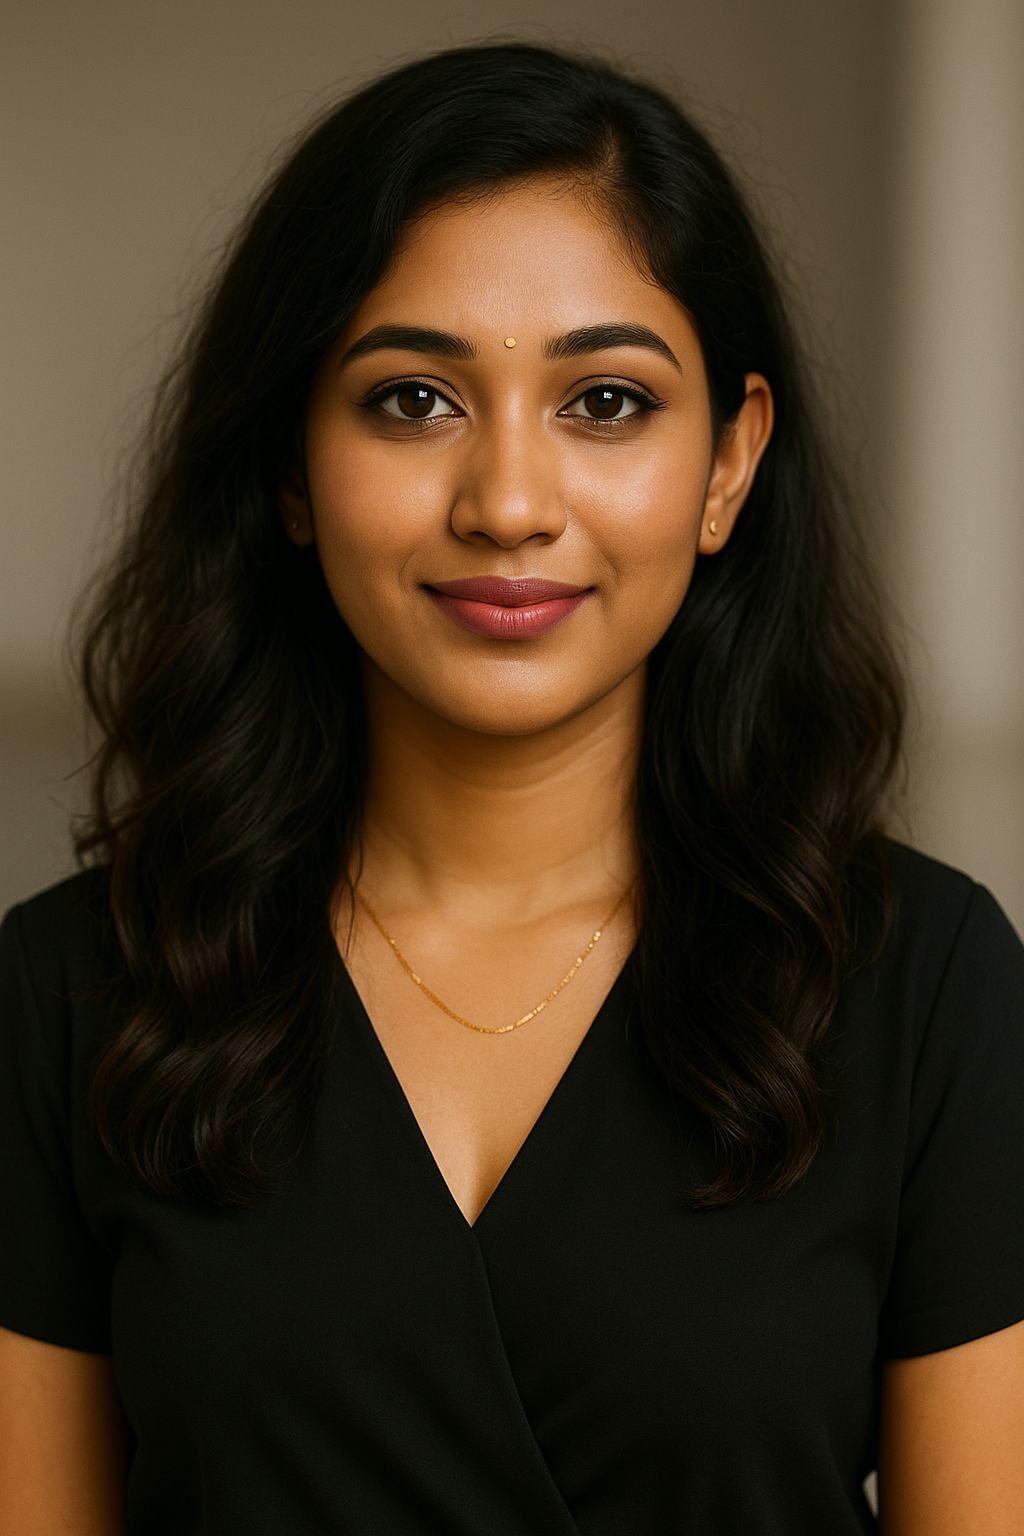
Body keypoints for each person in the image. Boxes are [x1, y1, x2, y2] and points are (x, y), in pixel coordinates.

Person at [1, 42, 1022, 1536]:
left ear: (729, 464)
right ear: (292, 464)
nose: (509, 505)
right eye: (413, 400)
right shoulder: (64, 997)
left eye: (605, 402)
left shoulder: (930, 991)